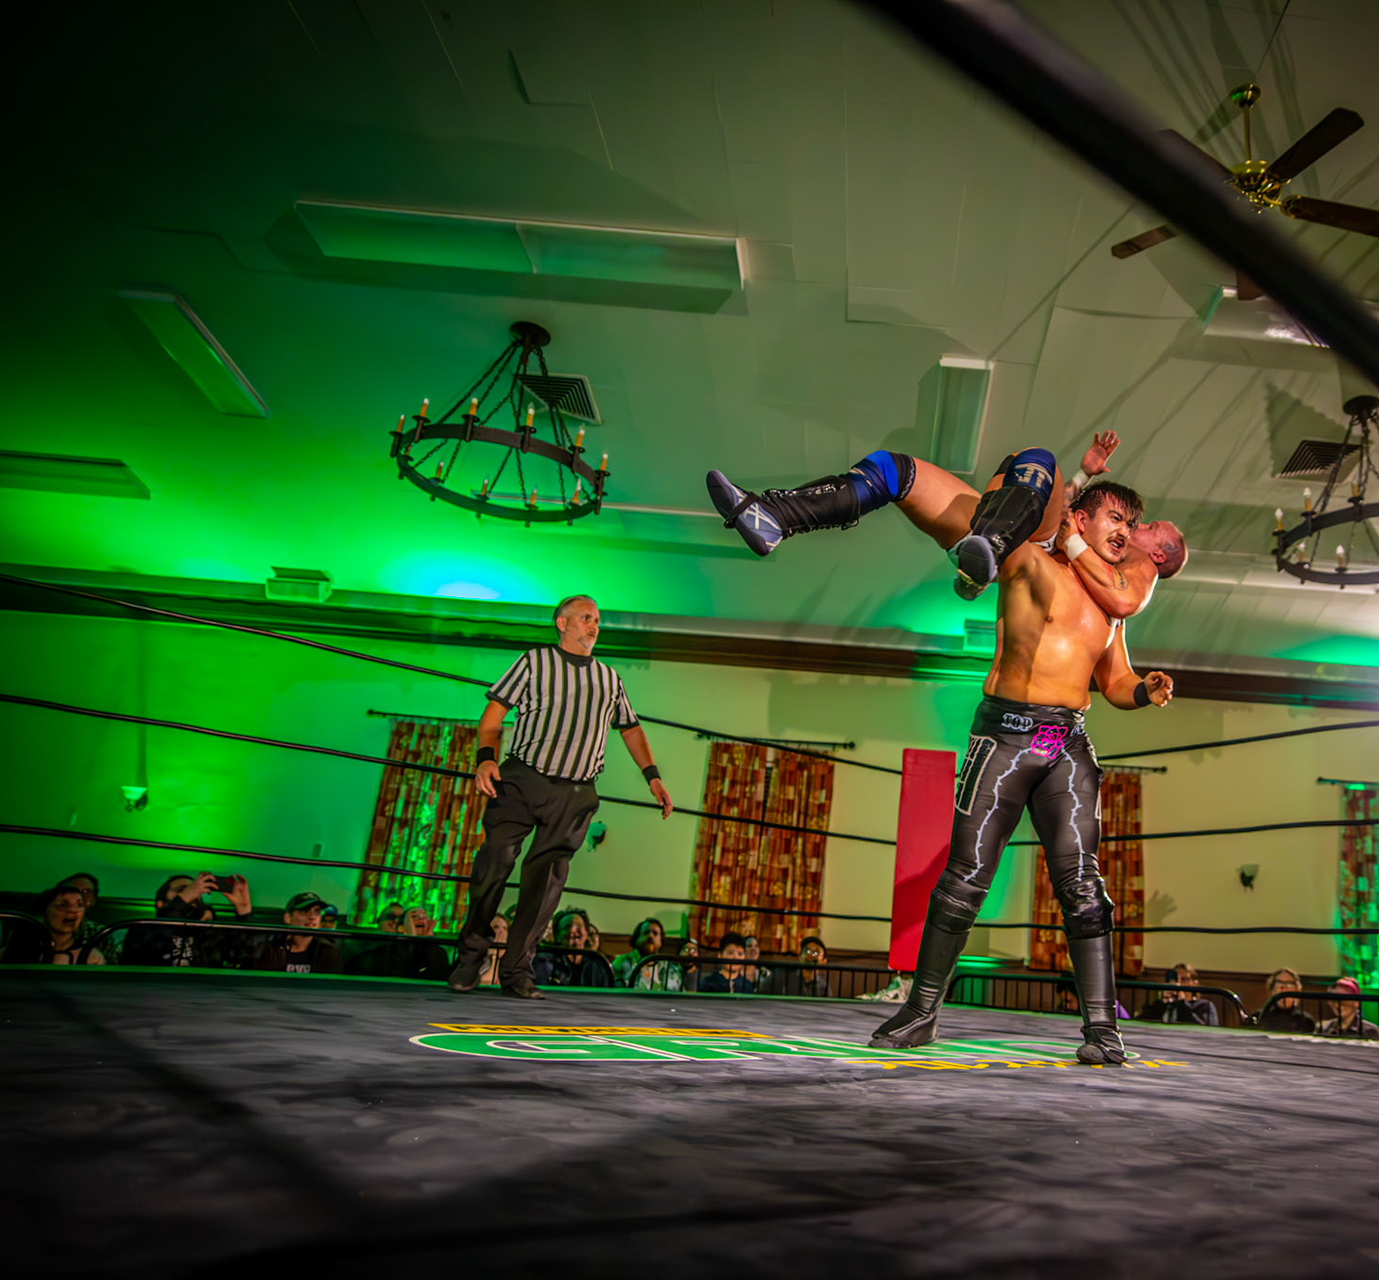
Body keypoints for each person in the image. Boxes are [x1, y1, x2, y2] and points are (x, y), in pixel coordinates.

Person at [867, 476, 1176, 1064]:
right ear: (1080, 519)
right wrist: (1060, 482)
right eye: (1115, 518)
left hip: (1067, 741)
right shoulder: (1030, 559)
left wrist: (1145, 689)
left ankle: (1103, 1030)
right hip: (1005, 735)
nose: (1125, 532)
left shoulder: (1113, 605)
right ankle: (921, 1011)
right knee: (966, 877)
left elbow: (1114, 680)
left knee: (1083, 885)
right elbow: (1013, 509)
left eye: (1132, 525)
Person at [448, 594, 674, 1000]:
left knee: (546, 884)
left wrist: (652, 777)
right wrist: (485, 759)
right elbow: (494, 713)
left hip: (575, 792)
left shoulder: (609, 679)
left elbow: (630, 728)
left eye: (597, 620)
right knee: (493, 862)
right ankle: (469, 959)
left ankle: (517, 971)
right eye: (586, 618)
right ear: (562, 623)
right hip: (523, 778)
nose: (594, 626)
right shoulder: (533, 662)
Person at [707, 432, 1186, 608]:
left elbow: (1122, 597)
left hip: (1034, 555)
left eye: (1145, 528)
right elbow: (1066, 514)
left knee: (1038, 459)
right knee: (894, 470)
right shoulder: (1103, 537)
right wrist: (1085, 474)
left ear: (1159, 554)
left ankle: (988, 551)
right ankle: (774, 517)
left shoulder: (1138, 572)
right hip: (1006, 532)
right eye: (1130, 522)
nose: (1135, 529)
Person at [123, 872, 253, 968]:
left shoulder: (209, 934)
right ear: (160, 903)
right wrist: (182, 900)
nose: (193, 894)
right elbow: (139, 953)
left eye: (195, 890)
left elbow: (246, 957)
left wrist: (244, 912)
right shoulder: (142, 928)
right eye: (181, 890)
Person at [0, 884, 103, 965]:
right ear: (42, 914)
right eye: (63, 905)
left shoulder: (92, 958)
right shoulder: (14, 950)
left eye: (79, 905)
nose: (73, 910)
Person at [253, 892, 342, 975]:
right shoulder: (271, 949)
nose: (312, 917)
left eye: (316, 911)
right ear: (288, 918)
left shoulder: (328, 951)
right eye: (304, 911)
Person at [535, 908, 614, 988]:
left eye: (578, 926)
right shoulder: (544, 962)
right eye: (567, 926)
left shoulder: (598, 965)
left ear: (586, 933)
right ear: (557, 936)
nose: (572, 930)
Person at [1147, 963, 1220, 1026]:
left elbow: (1201, 1027)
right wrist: (1162, 1003)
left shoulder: (1205, 1006)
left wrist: (1182, 1002)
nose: (1179, 983)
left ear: (1194, 983)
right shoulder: (1167, 1005)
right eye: (1176, 979)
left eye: (1183, 979)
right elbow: (1145, 1020)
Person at [1252, 966, 1317, 1033]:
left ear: (1297, 991)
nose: (1285, 987)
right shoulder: (1259, 1017)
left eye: (1290, 984)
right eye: (1279, 983)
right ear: (1272, 991)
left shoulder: (1306, 1021)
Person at [1314, 977, 1379, 1039]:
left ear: (1356, 1002)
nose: (1338, 1005)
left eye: (1344, 1000)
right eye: (1334, 1000)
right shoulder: (1323, 1028)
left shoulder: (1369, 1031)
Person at [614, 917, 666, 988]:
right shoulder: (621, 963)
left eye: (655, 933)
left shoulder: (667, 966)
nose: (650, 936)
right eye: (646, 932)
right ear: (637, 938)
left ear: (661, 941)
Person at [480, 913, 510, 987]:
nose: (501, 931)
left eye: (505, 928)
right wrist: (494, 958)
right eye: (496, 927)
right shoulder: (479, 956)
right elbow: (487, 982)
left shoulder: (511, 957)